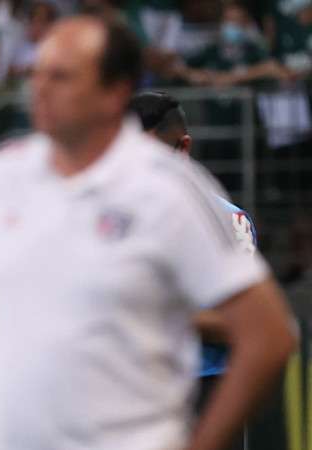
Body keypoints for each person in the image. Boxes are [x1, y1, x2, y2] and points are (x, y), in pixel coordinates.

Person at [0, 15, 296, 450]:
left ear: (113, 92)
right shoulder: (5, 172)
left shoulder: (170, 195)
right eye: (37, 73)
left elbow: (268, 335)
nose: (39, 87)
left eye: (62, 76)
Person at [129, 90, 258, 450]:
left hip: (206, 394)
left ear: (183, 149)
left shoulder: (229, 222)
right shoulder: (103, 223)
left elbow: (240, 325)